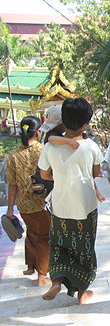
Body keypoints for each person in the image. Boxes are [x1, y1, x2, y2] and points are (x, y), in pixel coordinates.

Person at [38, 97, 103, 305]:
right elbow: (96, 172)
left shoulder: (50, 147)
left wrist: (60, 174)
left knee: (58, 244)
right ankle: (83, 292)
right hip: (85, 205)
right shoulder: (91, 146)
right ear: (86, 123)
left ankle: (56, 280)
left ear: (63, 122)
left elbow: (44, 175)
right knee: (84, 247)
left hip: (60, 204)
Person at [5, 116, 51, 286]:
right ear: (38, 133)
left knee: (33, 231)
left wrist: (10, 209)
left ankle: (31, 265)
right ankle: (42, 275)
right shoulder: (44, 150)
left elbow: (12, 184)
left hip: (23, 204)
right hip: (41, 203)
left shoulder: (13, 155)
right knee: (45, 236)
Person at [40, 104, 105, 202]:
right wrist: (68, 142)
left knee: (87, 176)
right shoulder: (52, 134)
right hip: (56, 173)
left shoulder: (58, 133)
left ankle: (97, 192)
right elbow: (51, 139)